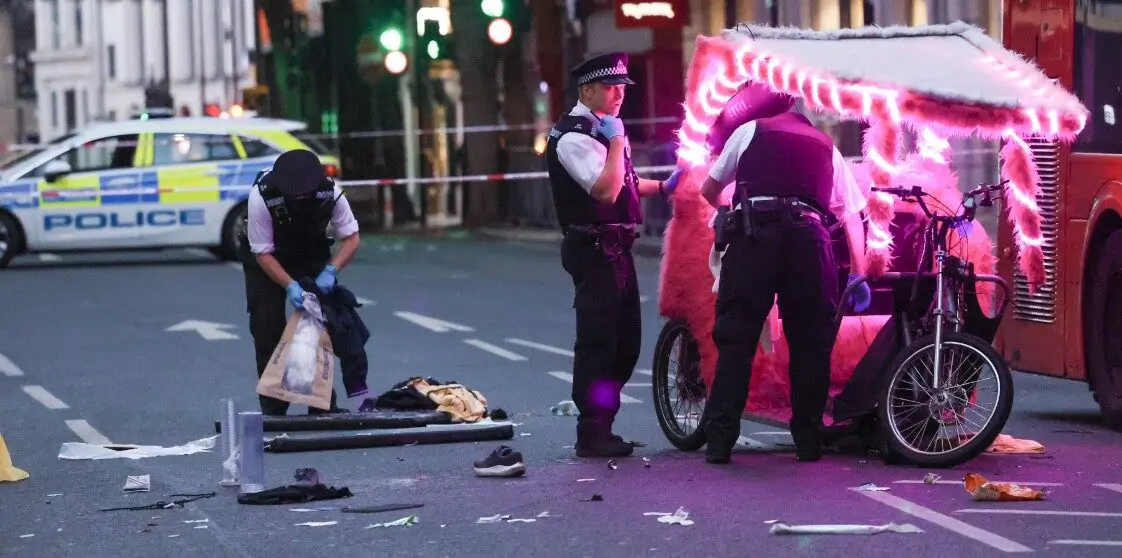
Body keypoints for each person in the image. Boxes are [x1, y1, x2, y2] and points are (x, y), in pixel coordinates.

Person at [698, 83, 871, 464]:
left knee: (737, 338)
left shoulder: (750, 131)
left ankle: (720, 441)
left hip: (755, 237)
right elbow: (851, 215)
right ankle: (808, 441)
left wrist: (731, 207)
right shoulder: (827, 147)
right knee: (811, 344)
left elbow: (709, 187)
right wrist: (859, 274)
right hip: (809, 241)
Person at [544, 52, 684, 458]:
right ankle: (592, 430)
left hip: (614, 245)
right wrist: (619, 137)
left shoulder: (598, 129)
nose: (620, 93)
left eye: (623, 87)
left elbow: (624, 184)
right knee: (599, 342)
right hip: (593, 247)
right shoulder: (573, 137)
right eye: (611, 87)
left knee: (626, 344)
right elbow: (605, 190)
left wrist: (666, 187)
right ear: (587, 90)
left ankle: (603, 422)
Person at [239, 148, 362, 416]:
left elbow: (351, 238)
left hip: (310, 251)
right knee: (266, 325)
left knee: (316, 324)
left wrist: (331, 270)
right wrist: (290, 286)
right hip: (267, 255)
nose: (299, 198)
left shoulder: (330, 191)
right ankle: (274, 407)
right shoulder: (262, 196)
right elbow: (262, 253)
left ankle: (321, 404)